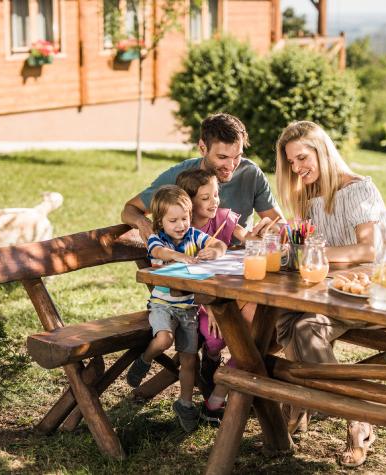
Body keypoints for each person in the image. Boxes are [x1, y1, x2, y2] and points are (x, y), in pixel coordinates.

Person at [274, 121, 386, 468]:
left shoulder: (359, 190)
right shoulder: (308, 196)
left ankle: (350, 417)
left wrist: (315, 252)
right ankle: (314, 404)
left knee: (302, 328)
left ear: (321, 151)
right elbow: (304, 246)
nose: (296, 168)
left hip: (367, 290)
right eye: (291, 163)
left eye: (301, 158)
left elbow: (368, 250)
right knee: (285, 320)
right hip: (326, 291)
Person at [125, 185, 227, 432]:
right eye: (173, 220)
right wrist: (180, 257)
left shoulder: (193, 235)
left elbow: (220, 245)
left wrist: (211, 251)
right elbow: (158, 252)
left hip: (189, 309)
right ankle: (144, 359)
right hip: (162, 305)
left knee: (189, 360)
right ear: (160, 221)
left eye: (185, 218)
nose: (181, 225)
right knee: (164, 339)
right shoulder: (157, 238)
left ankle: (185, 403)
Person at [121, 112, 282, 244]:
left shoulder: (250, 173)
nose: (231, 165)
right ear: (202, 148)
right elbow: (130, 209)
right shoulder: (179, 176)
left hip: (238, 267)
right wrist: (143, 223)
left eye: (237, 156)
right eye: (222, 157)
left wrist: (270, 230)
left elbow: (278, 224)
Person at [174, 168, 251, 425]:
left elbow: (248, 237)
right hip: (195, 302)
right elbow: (178, 283)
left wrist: (260, 236)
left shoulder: (222, 219)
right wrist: (212, 309)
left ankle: (220, 381)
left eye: (216, 195)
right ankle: (213, 369)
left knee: (251, 324)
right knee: (215, 337)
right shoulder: (179, 230)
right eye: (205, 198)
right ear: (188, 201)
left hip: (226, 296)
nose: (214, 202)